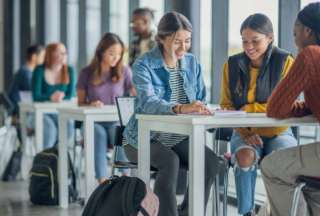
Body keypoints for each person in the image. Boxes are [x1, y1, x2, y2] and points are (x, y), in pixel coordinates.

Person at [124, 12, 224, 216]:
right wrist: (179, 107)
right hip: (142, 139)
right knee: (170, 161)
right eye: (177, 41)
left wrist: (201, 108)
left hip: (177, 137)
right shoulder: (143, 64)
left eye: (187, 41)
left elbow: (200, 96)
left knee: (210, 162)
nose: (183, 48)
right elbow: (147, 102)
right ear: (161, 38)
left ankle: (187, 212)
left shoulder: (192, 63)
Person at [219, 13, 298, 215]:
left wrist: (250, 108)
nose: (249, 47)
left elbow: (288, 104)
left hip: (279, 132)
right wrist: (245, 133)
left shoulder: (286, 61)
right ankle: (246, 212)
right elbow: (227, 106)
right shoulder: (231, 65)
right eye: (245, 41)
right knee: (245, 156)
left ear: (270, 38)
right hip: (244, 132)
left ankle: (276, 212)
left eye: (256, 41)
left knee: (282, 159)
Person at [261, 3, 320, 216]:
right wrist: (305, 107)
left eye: (295, 29)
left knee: (271, 167)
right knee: (310, 189)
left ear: (308, 31)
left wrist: (296, 107)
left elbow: (275, 108)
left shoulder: (311, 55)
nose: (293, 35)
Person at [77, 32, 135, 183]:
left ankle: (125, 178)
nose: (116, 58)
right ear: (101, 51)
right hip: (93, 122)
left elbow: (137, 94)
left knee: (121, 131)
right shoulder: (86, 73)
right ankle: (102, 180)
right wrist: (91, 104)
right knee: (98, 134)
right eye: (111, 53)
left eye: (119, 54)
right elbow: (80, 102)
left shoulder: (125, 71)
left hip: (115, 120)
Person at [32, 42, 76, 149]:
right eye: (60, 53)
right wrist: (50, 97)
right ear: (51, 54)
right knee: (49, 128)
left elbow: (70, 95)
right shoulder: (39, 70)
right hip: (41, 113)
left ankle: (58, 156)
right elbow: (36, 96)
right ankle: (46, 160)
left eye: (65, 53)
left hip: (60, 111)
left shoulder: (70, 70)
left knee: (69, 125)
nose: (64, 55)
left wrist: (59, 97)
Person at [9, 44, 45, 115]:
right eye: (43, 56)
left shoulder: (27, 71)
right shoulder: (25, 73)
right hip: (19, 111)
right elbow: (37, 92)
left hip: (23, 109)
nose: (44, 60)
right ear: (34, 57)